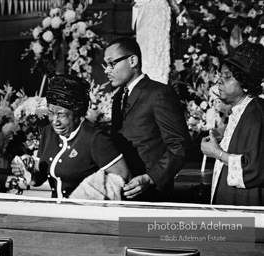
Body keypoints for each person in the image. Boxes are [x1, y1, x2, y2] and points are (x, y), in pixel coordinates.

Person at [11, 74, 132, 199]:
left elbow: (124, 178)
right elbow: (39, 178)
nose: (54, 121)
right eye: (51, 113)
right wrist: (28, 168)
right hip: (57, 213)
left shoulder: (95, 138)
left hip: (85, 214)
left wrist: (88, 196)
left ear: (78, 112)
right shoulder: (48, 133)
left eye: (61, 114)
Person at [103, 36, 191, 202]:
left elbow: (180, 145)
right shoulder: (118, 98)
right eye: (105, 65)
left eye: (111, 63)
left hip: (152, 192)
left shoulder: (158, 93)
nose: (107, 70)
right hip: (121, 189)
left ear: (133, 60)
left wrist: (151, 178)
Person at [201, 42, 264, 206]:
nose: (219, 82)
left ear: (245, 81)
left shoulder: (255, 112)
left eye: (228, 77)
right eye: (220, 76)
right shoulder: (242, 110)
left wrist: (217, 153)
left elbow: (254, 168)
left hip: (246, 203)